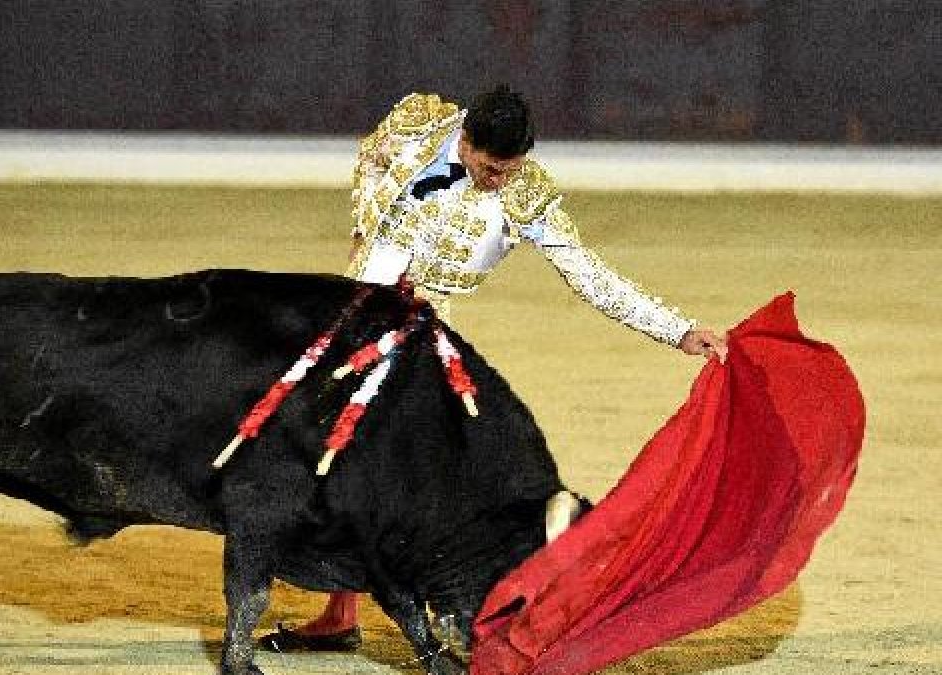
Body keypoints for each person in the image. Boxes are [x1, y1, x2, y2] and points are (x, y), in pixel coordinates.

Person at [258, 85, 726, 653]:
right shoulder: (415, 128)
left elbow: (590, 276)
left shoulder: (527, 197)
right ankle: (341, 612)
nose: (498, 180)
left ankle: (454, 605)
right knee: (328, 457)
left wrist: (676, 329)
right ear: (465, 140)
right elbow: (371, 159)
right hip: (354, 318)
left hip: (426, 342)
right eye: (488, 167)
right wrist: (364, 230)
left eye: (510, 168)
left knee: (392, 471)